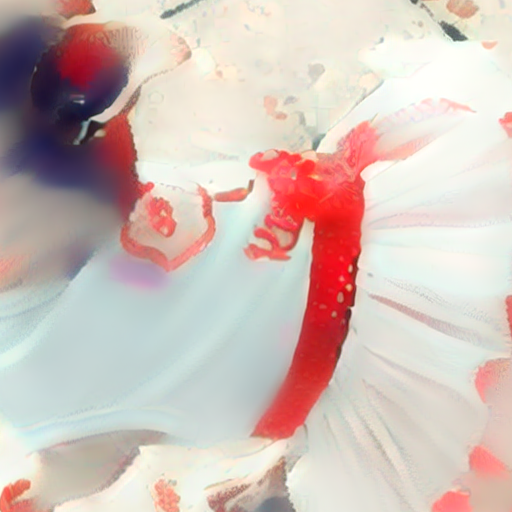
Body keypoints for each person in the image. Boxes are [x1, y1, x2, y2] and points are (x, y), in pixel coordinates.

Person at [1, 1, 512, 511]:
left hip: (394, 332)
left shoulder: (39, 370)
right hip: (359, 233)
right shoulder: (44, 323)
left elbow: (89, 458)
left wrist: (47, 490)